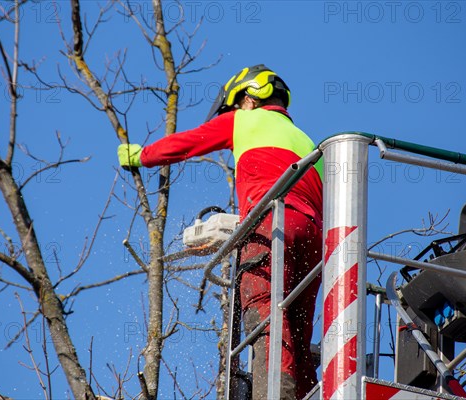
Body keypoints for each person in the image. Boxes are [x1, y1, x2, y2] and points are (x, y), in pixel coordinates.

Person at [118, 64, 323, 399]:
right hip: (314, 239)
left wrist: (142, 156)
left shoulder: (243, 119)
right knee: (298, 334)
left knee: (265, 313)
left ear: (249, 97)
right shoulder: (310, 144)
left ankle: (276, 395)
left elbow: (187, 143)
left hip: (274, 223)